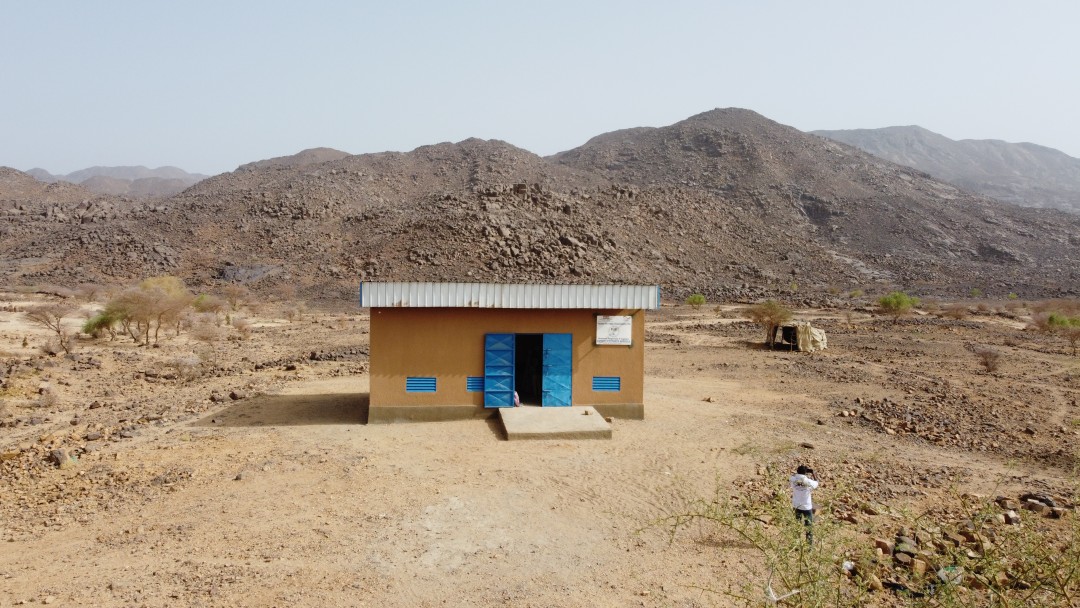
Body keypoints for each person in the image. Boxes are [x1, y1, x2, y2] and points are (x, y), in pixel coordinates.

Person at [789, 465, 819, 543]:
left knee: (796, 526)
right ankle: (809, 546)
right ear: (805, 473)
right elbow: (816, 483)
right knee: (808, 527)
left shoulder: (793, 479)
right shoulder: (808, 481)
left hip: (796, 506)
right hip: (806, 507)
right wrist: (813, 473)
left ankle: (796, 543)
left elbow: (792, 477)